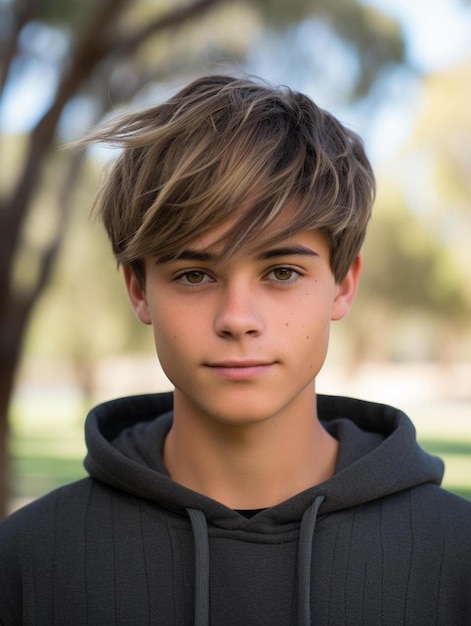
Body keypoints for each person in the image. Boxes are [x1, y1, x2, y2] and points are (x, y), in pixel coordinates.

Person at [1, 74, 470, 626]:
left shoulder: (457, 557)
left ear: (343, 284)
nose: (237, 320)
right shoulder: (26, 563)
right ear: (138, 289)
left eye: (282, 271)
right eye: (195, 275)